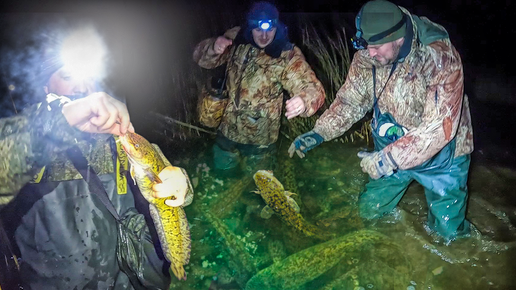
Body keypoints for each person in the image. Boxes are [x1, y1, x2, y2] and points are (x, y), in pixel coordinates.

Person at [0, 25, 191, 289]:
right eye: (68, 75)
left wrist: (181, 184)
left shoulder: (117, 133)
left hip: (125, 280)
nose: (82, 86)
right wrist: (62, 120)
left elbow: (163, 175)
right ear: (46, 87)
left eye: (88, 76)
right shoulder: (26, 135)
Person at [289, 0, 474, 243]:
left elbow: (439, 127)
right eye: (366, 45)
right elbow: (351, 102)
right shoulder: (367, 57)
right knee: (368, 213)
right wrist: (319, 132)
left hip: (443, 156)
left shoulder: (440, 57)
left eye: (376, 46)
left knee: (448, 236)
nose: (370, 52)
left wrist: (387, 159)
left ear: (398, 38)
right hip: (391, 146)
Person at [193, 1, 325, 172]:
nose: (264, 36)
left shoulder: (287, 54)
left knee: (259, 186)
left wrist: (304, 99)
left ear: (277, 27)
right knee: (222, 177)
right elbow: (201, 59)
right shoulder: (235, 38)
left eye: (269, 29)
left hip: (260, 140)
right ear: (250, 27)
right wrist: (213, 47)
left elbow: (314, 88)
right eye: (258, 30)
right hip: (227, 130)